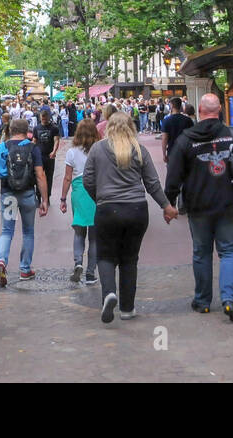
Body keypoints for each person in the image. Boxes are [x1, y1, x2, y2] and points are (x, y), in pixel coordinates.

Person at [83, 111, 177, 323]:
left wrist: (99, 197)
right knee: (129, 259)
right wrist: (166, 206)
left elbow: (88, 179)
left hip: (107, 209)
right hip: (136, 210)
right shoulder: (139, 149)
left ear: (109, 128)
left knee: (105, 255)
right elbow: (152, 183)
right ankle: (127, 308)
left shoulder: (98, 149)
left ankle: (109, 293)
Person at [164, 92, 233, 321]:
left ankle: (202, 302)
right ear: (219, 109)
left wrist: (168, 202)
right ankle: (230, 299)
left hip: (198, 205)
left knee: (202, 253)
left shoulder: (185, 139)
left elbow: (174, 174)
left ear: (200, 111)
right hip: (228, 203)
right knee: (229, 251)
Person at [0, 117, 48, 284]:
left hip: (8, 194)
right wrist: (44, 199)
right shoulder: (33, 148)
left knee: (6, 231)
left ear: (10, 130)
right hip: (28, 194)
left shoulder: (2, 147)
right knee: (28, 232)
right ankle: (25, 269)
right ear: (26, 131)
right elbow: (40, 175)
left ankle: (1, 261)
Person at [59, 117, 100, 285]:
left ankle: (77, 262)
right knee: (95, 237)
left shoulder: (71, 152)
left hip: (78, 190)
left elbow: (67, 178)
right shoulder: (99, 149)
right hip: (96, 191)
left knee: (79, 231)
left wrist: (63, 198)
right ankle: (91, 273)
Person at [33, 105, 63, 201]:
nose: (44, 121)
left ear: (49, 118)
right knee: (39, 176)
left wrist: (54, 151)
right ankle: (38, 196)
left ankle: (48, 197)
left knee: (49, 177)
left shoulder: (54, 128)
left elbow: (56, 141)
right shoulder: (36, 128)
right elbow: (34, 141)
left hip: (50, 156)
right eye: (43, 119)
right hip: (39, 156)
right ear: (40, 118)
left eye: (46, 119)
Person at [160, 96, 194, 164]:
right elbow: (192, 136)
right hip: (186, 150)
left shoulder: (166, 121)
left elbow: (164, 138)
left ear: (171, 105)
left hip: (172, 150)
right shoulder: (188, 120)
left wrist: (164, 154)